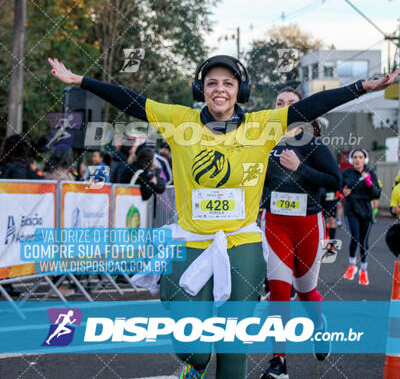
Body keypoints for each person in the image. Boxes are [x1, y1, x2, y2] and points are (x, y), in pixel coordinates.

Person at [48, 55, 399, 379]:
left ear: (239, 91)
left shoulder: (262, 126)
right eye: (212, 82)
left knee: (233, 349)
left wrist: (362, 87)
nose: (220, 89)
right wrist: (81, 81)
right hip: (190, 241)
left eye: (228, 83)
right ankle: (191, 357)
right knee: (196, 350)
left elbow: (314, 104)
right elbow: (132, 101)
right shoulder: (179, 120)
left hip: (241, 243)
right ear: (201, 89)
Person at [259, 88, 341, 379]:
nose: (285, 108)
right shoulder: (264, 142)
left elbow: (335, 180)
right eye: (279, 103)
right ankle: (278, 361)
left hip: (308, 226)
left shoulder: (312, 144)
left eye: (291, 103)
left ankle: (319, 327)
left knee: (306, 291)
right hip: (274, 224)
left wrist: (301, 168)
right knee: (280, 290)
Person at [342, 149, 381, 286]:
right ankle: (352, 265)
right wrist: (343, 192)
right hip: (351, 209)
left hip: (365, 211)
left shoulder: (370, 173)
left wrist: (369, 182)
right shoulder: (347, 173)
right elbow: (338, 187)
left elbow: (376, 194)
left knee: (363, 242)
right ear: (352, 160)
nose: (358, 160)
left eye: (360, 157)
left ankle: (363, 270)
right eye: (355, 157)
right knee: (355, 238)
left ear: (365, 159)